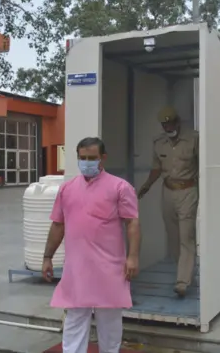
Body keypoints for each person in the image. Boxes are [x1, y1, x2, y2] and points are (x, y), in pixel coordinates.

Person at [41, 137, 140, 353]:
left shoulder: (120, 187)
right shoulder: (66, 189)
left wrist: (132, 257)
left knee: (109, 320)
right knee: (75, 318)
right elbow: (58, 225)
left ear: (103, 158)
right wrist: (47, 257)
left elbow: (132, 222)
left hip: (110, 267)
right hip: (77, 268)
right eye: (82, 158)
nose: (87, 162)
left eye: (92, 158)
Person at [138, 106, 199, 298]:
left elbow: (202, 163)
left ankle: (182, 281)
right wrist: (147, 186)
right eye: (164, 124)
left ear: (177, 122)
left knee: (186, 236)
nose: (167, 127)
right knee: (173, 237)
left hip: (188, 190)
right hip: (168, 192)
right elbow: (157, 167)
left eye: (170, 123)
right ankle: (187, 272)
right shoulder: (159, 143)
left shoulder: (193, 139)